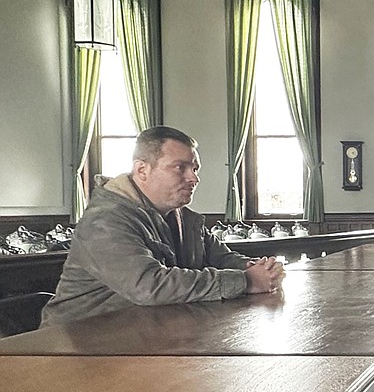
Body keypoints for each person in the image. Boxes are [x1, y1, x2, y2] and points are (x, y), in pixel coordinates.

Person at [40, 126, 285, 327]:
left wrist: (257, 269)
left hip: (139, 338)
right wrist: (246, 281)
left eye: (195, 168)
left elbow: (222, 258)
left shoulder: (184, 218)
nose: (194, 178)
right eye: (180, 167)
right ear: (142, 169)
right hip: (74, 347)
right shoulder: (105, 221)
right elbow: (149, 285)